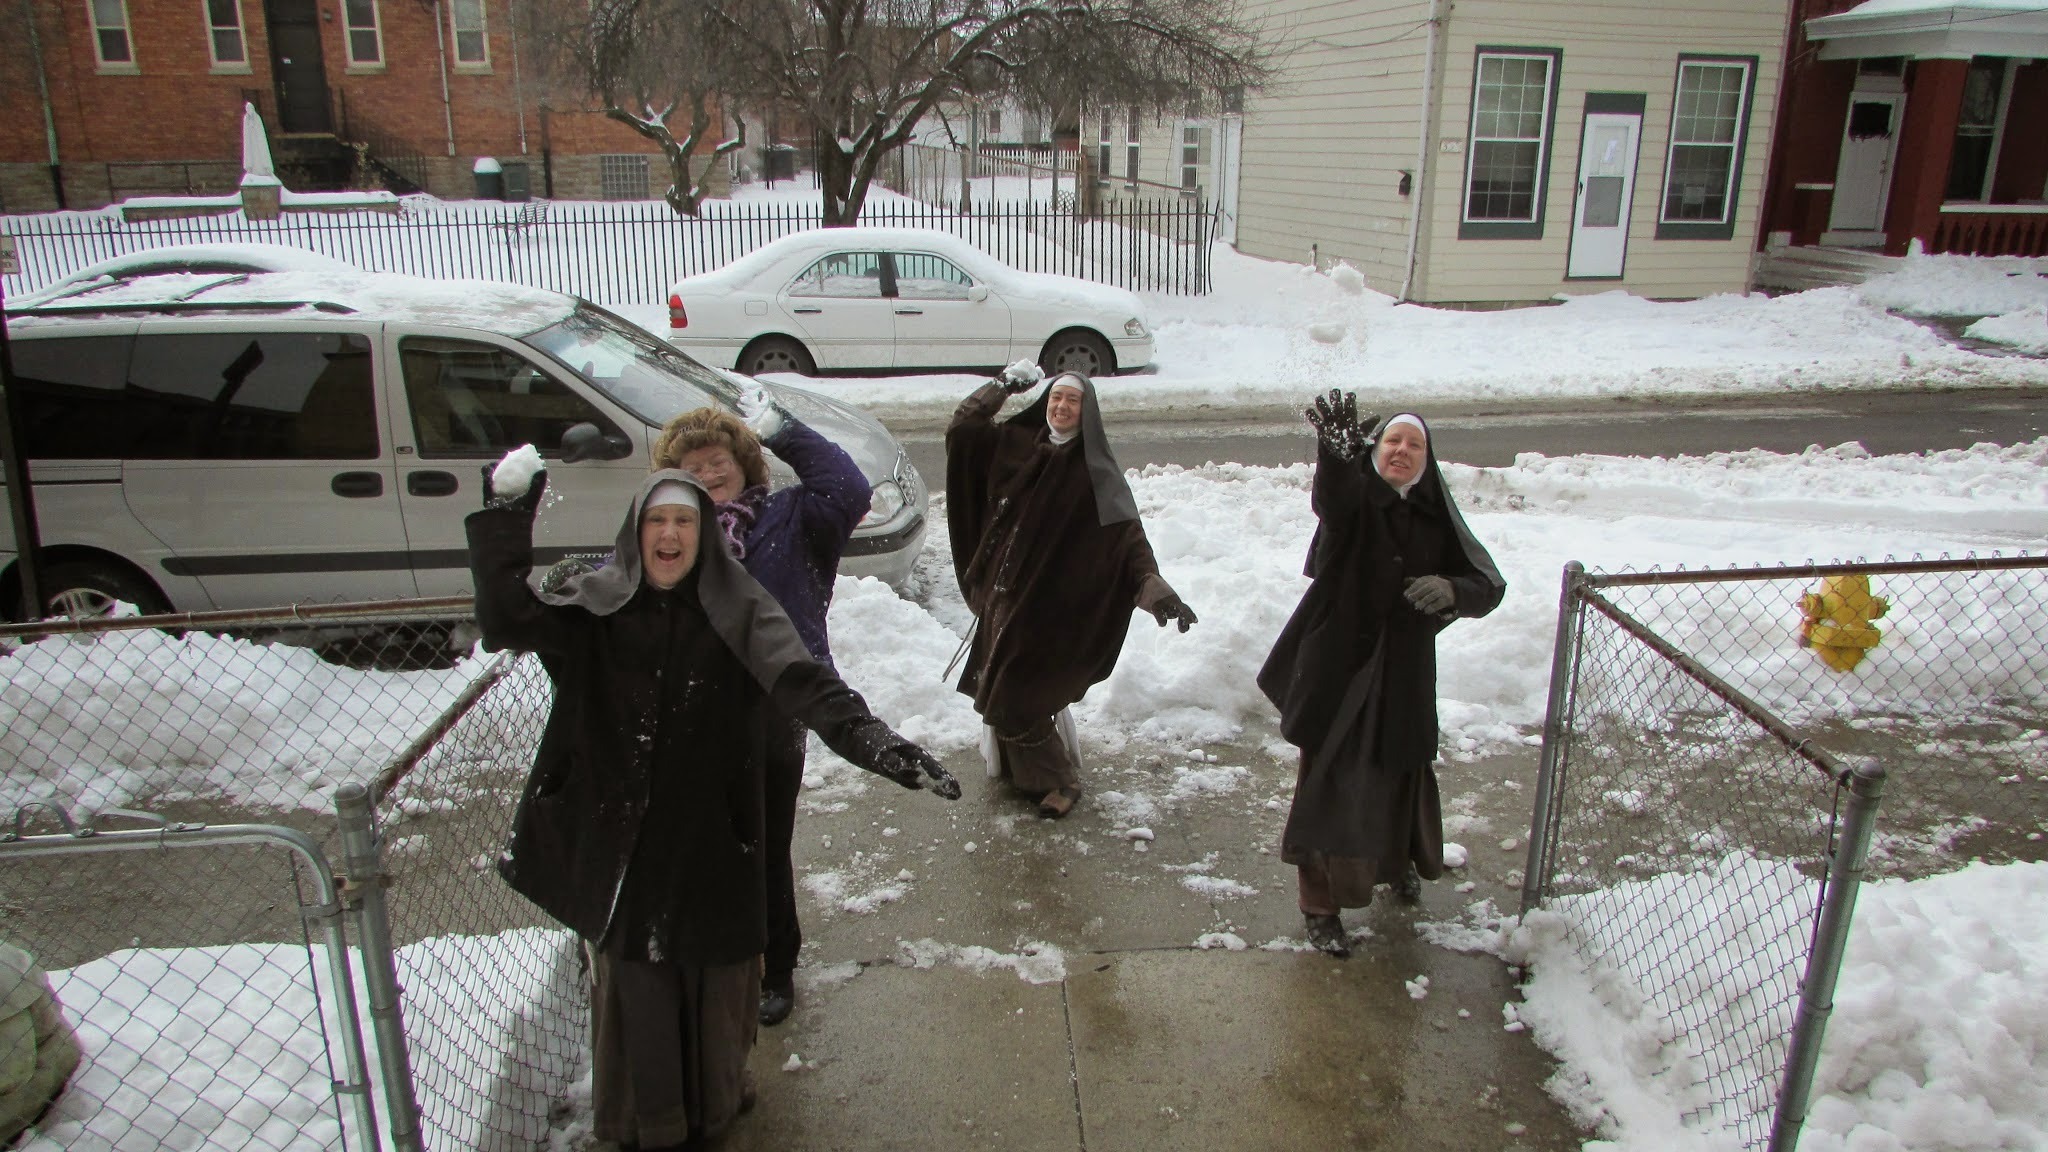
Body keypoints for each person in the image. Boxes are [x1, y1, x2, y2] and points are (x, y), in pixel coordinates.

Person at [468, 464, 958, 1151]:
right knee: (639, 988)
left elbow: (807, 684)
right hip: (624, 847)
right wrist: (505, 517)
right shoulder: (593, 610)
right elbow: (503, 618)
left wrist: (879, 744)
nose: (670, 534)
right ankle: (651, 1125)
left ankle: (716, 1107)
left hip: (711, 834)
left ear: (705, 536)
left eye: (685, 522)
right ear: (636, 533)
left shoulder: (742, 610)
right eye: (657, 521)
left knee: (717, 985)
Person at [651, 391, 870, 1029]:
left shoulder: (797, 517)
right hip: (693, 713)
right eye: (692, 468)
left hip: (776, 708)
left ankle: (776, 968)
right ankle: (712, 953)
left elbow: (848, 487)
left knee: (765, 846)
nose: (709, 474)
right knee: (701, 845)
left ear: (746, 462)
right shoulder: (675, 534)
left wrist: (783, 429)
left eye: (718, 460)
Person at [1258, 395, 1505, 958]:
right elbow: (1334, 499)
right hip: (1340, 673)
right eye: (1392, 441)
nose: (1402, 451)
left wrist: (1452, 589)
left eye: (1414, 445)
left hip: (1404, 676)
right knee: (1329, 787)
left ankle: (1397, 864)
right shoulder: (1356, 505)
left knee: (1401, 773)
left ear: (1426, 460)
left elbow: (1488, 583)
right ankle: (1319, 907)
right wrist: (1335, 454)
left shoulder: (1434, 516)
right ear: (1376, 451)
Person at [946, 365, 1198, 818]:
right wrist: (1001, 388)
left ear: (1088, 413)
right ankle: (1023, 774)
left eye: (1072, 401)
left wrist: (1158, 592)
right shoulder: (1017, 445)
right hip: (1005, 599)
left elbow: (1129, 544)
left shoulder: (1095, 474)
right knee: (999, 690)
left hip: (1051, 612)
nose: (1061, 407)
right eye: (1055, 398)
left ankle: (1059, 780)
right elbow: (964, 430)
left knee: (1012, 699)